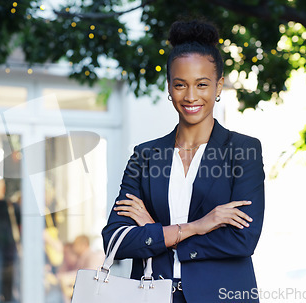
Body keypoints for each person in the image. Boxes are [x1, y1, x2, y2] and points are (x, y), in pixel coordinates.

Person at [102, 19, 265, 303]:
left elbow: (242, 240)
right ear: (169, 87)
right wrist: (196, 226)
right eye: (181, 85)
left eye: (202, 84)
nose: (191, 96)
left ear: (218, 86)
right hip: (150, 295)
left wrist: (156, 231)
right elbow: (115, 240)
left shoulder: (242, 150)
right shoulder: (145, 155)